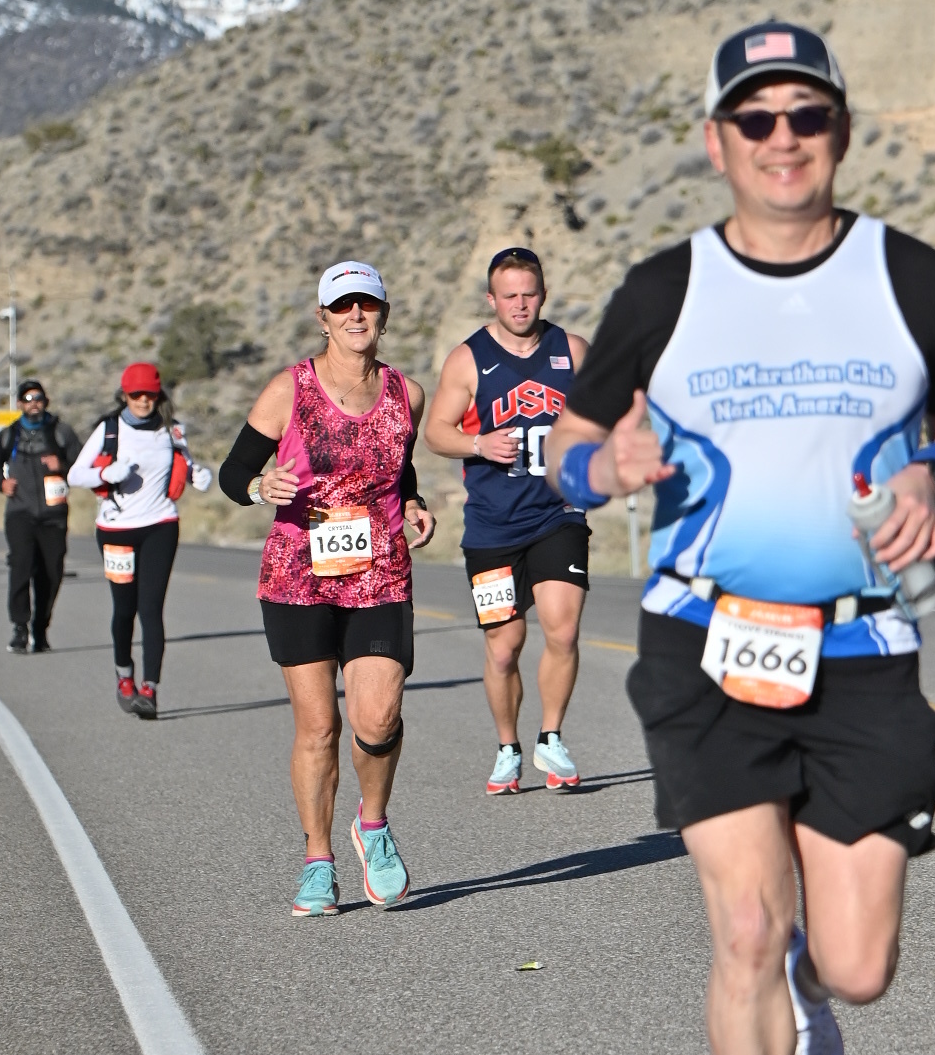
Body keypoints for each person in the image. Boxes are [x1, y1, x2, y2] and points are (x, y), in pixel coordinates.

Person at [550, 21, 935, 1055]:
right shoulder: (664, 291)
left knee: (858, 964)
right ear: (717, 142)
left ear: (840, 133)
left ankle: (812, 976)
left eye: (807, 117)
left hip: (863, 646)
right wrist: (606, 464)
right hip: (706, 640)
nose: (783, 140)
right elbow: (571, 448)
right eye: (757, 119)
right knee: (743, 924)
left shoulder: (909, 274)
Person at [219, 260, 435, 914]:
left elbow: (397, 466)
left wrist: (414, 501)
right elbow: (233, 474)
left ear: (383, 314)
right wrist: (261, 486)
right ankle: (318, 860)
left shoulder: (407, 394)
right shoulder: (288, 390)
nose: (355, 315)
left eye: (366, 304)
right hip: (298, 577)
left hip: (380, 573)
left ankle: (373, 824)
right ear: (324, 318)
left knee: (378, 717)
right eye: (342, 306)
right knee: (318, 728)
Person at [422, 245, 593, 795]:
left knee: (563, 627)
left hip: (557, 514)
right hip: (492, 526)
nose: (520, 304)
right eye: (509, 295)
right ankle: (508, 748)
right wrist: (478, 444)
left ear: (543, 295)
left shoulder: (572, 350)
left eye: (529, 294)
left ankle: (550, 737)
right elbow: (436, 432)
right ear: (491, 299)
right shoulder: (467, 359)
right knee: (504, 646)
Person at [71, 363, 209, 717]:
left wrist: (198, 475)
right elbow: (75, 474)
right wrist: (105, 473)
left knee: (151, 609)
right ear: (124, 395)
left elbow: (186, 465)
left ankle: (150, 689)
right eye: (136, 395)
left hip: (161, 525)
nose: (143, 401)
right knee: (124, 608)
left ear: (158, 395)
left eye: (149, 394)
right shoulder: (109, 429)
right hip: (116, 530)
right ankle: (124, 675)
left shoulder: (172, 430)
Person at [0, 378, 83, 653]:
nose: (34, 404)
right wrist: (1, 483)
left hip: (53, 515)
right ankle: (20, 628)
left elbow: (83, 464)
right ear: (19, 404)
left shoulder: (61, 432)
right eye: (28, 399)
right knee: (21, 567)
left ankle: (40, 628)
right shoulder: (9, 435)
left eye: (38, 398)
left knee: (51, 573)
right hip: (20, 512)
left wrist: (61, 465)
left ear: (45, 401)